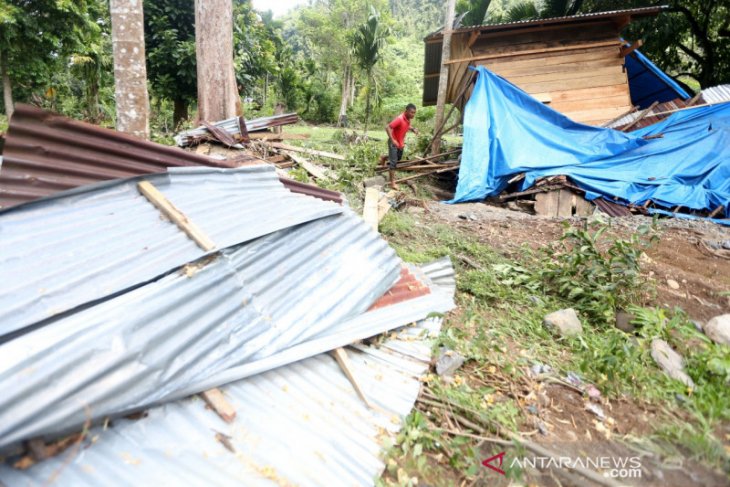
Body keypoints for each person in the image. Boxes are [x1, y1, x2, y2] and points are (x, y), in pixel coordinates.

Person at [381, 103, 419, 189]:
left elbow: (407, 125)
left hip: (400, 143)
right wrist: (393, 140)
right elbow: (388, 127)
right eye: (411, 112)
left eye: (414, 113)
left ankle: (384, 157)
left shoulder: (407, 119)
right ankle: (392, 183)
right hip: (393, 142)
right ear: (406, 111)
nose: (413, 115)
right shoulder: (399, 119)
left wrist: (413, 129)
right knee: (393, 163)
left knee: (398, 158)